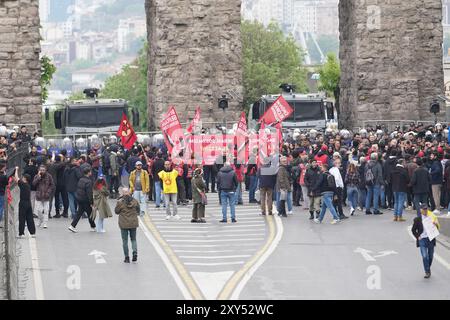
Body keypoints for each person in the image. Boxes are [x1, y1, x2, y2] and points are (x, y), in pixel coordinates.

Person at [411, 204, 440, 279]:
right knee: (424, 256)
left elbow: (436, 228)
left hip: (430, 239)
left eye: (426, 209)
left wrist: (436, 224)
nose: (425, 211)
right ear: (420, 210)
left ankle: (427, 267)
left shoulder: (432, 217)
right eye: (423, 209)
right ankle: (427, 271)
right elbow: (413, 230)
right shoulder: (417, 219)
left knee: (430, 256)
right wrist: (418, 236)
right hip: (422, 239)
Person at [115, 188, 140, 263]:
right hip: (133, 223)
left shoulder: (120, 202)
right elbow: (138, 211)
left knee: (125, 241)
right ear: (129, 192)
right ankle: (135, 252)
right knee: (133, 239)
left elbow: (116, 211)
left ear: (122, 193)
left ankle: (127, 257)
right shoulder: (135, 201)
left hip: (124, 224)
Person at [68, 167, 96, 233]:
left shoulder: (81, 179)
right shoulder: (89, 181)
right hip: (85, 200)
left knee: (79, 213)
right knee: (90, 213)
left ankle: (72, 226)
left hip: (80, 198)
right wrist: (91, 202)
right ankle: (93, 227)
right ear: (89, 173)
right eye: (90, 171)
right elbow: (89, 193)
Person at [14, 168, 36, 238]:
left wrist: (16, 169)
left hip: (23, 203)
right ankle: (32, 233)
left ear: (25, 179)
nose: (22, 178)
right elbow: (16, 180)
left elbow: (17, 178)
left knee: (22, 218)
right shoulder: (28, 185)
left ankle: (21, 234)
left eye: (23, 177)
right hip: (28, 203)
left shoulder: (23, 184)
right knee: (30, 218)